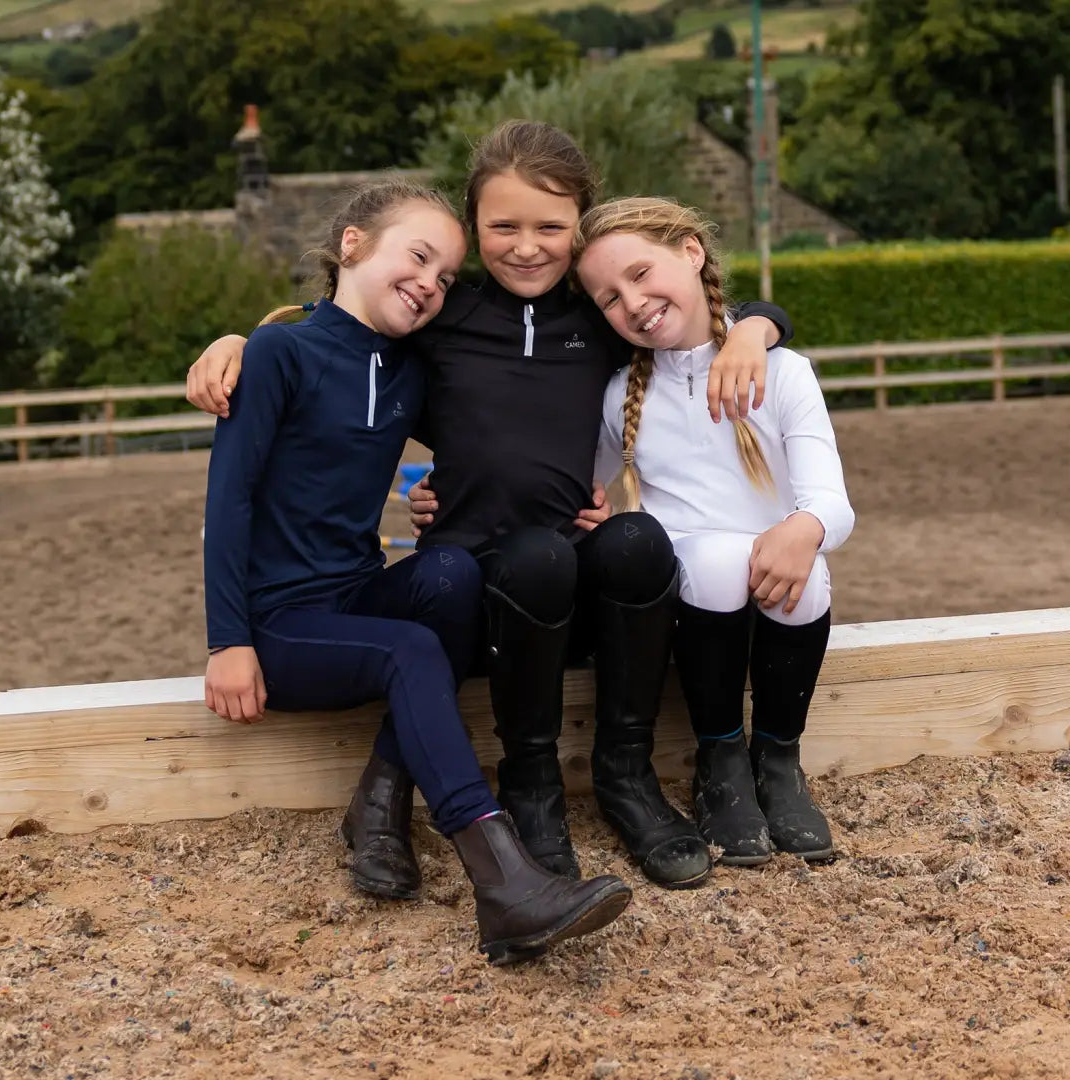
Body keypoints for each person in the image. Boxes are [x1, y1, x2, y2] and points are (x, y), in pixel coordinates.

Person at [188, 121, 792, 891]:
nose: (526, 245)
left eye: (549, 227)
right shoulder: (442, 324)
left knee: (637, 541)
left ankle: (627, 779)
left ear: (581, 227)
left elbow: (687, 313)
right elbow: (345, 332)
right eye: (503, 226)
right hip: (481, 601)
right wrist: (239, 343)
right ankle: (531, 786)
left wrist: (755, 329)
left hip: (572, 599)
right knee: (516, 560)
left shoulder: (598, 319)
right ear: (477, 230)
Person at [202, 177, 631, 965]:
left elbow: (504, 425)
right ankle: (503, 883)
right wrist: (227, 640)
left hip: (356, 589)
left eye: (443, 276)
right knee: (412, 650)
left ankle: (380, 801)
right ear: (353, 245)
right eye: (419, 257)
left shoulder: (407, 370)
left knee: (453, 574)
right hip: (279, 624)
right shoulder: (277, 353)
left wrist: (576, 488)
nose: (430, 285)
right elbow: (227, 503)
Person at [573, 196, 855, 866]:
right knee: (722, 559)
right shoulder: (621, 395)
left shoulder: (784, 372)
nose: (633, 302)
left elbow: (833, 503)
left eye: (641, 273)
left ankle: (778, 757)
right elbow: (577, 482)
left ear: (691, 252)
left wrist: (804, 527)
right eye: (610, 297)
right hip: (694, 599)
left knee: (807, 567)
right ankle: (720, 754)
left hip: (779, 586)